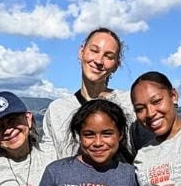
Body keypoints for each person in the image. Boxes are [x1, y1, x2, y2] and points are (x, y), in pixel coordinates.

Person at [40, 28, 145, 160]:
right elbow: (47, 161)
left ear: (116, 65)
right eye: (94, 51)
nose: (99, 61)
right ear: (81, 52)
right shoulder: (57, 110)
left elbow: (149, 152)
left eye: (108, 56)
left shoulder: (130, 103)